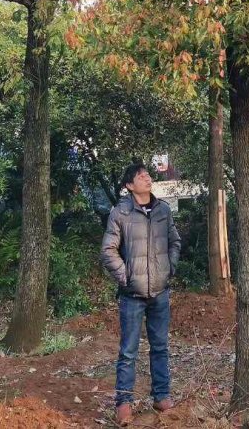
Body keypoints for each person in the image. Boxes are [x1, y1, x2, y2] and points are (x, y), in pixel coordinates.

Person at [100, 160, 182, 426]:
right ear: (129, 185)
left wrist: (169, 268)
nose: (147, 178)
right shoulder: (120, 213)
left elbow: (175, 241)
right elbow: (108, 250)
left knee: (160, 347)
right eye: (141, 175)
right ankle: (124, 403)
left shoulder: (163, 210)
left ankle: (161, 396)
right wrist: (127, 278)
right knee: (128, 351)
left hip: (160, 292)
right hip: (131, 296)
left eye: (147, 174)